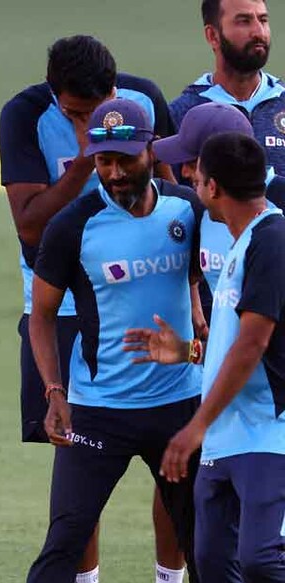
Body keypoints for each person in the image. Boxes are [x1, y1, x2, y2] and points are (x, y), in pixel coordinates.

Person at [0, 34, 181, 583]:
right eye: (80, 114)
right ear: (57, 97)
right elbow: (30, 225)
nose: (95, 120)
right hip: (60, 299)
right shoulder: (25, 114)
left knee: (171, 453)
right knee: (78, 454)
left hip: (147, 293)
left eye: (103, 109)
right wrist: (87, 159)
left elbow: (176, 192)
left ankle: (169, 577)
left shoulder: (143, 99)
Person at [26, 99, 201, 583]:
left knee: (206, 544)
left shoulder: (187, 209)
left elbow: (200, 282)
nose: (116, 172)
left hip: (180, 405)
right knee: (64, 540)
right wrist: (54, 392)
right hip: (99, 410)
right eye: (104, 161)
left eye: (126, 159)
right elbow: (40, 317)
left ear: (151, 149)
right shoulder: (73, 226)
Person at [126, 132, 285, 583]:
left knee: (262, 560)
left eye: (194, 172)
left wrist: (193, 427)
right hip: (224, 439)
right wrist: (187, 351)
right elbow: (236, 343)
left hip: (267, 435)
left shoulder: (272, 239)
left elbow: (253, 344)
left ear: (212, 187)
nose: (187, 177)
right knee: (213, 565)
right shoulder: (240, 242)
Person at [153, 101, 285, 325]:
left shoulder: (278, 205)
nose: (184, 172)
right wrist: (195, 308)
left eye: (192, 162)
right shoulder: (202, 207)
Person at [171, 0, 285, 175]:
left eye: (263, 20)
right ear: (212, 36)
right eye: (244, 21)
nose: (259, 32)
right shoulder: (182, 112)